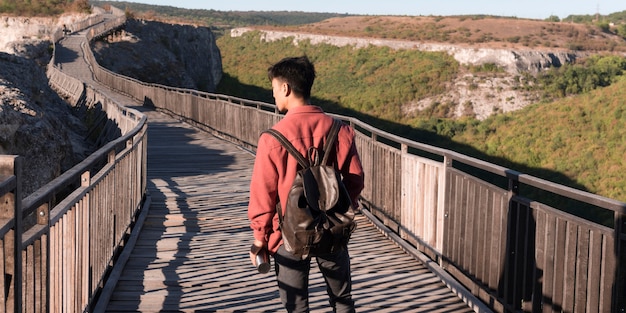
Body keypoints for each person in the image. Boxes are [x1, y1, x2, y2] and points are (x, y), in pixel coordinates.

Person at [248, 55, 365, 313]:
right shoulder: (340, 129)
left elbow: (263, 195)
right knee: (342, 301)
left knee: (296, 307)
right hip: (332, 230)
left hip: (289, 235)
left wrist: (260, 237)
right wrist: (346, 208)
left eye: (274, 89)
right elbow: (355, 179)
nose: (273, 96)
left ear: (286, 89)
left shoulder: (272, 139)